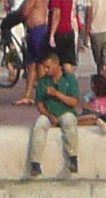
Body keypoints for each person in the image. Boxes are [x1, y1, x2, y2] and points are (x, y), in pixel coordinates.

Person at [26, 47, 87, 177]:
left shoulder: (69, 78)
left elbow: (74, 102)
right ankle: (36, 163)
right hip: (49, 113)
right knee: (39, 126)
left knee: (69, 123)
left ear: (56, 65)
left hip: (66, 111)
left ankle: (73, 158)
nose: (46, 70)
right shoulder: (43, 81)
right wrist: (48, 115)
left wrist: (57, 94)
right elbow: (40, 104)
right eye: (44, 68)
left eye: (48, 67)